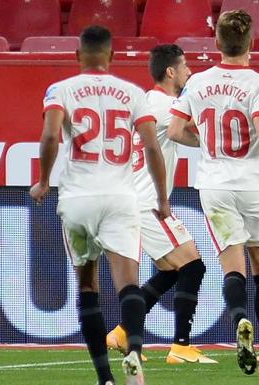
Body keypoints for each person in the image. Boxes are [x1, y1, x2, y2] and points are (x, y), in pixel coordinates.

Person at [167, 10, 259, 377]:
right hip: (255, 184)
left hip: (215, 184)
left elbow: (174, 129)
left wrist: (207, 143)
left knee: (232, 264)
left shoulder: (197, 83)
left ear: (217, 42)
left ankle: (239, 318)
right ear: (251, 42)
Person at [30, 25, 170, 385]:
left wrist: (44, 180)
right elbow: (153, 149)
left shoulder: (60, 90)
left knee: (88, 286)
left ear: (78, 56)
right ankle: (135, 355)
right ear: (111, 56)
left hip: (77, 199)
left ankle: (105, 377)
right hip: (121, 198)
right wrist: (163, 198)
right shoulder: (133, 93)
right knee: (128, 285)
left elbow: (50, 136)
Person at [105, 44, 216, 365]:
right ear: (171, 72)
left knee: (170, 270)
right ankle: (181, 347)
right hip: (146, 203)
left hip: (134, 199)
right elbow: (205, 126)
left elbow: (187, 137)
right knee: (193, 266)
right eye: (185, 68)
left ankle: (124, 331)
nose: (189, 72)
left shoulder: (145, 103)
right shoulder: (167, 104)